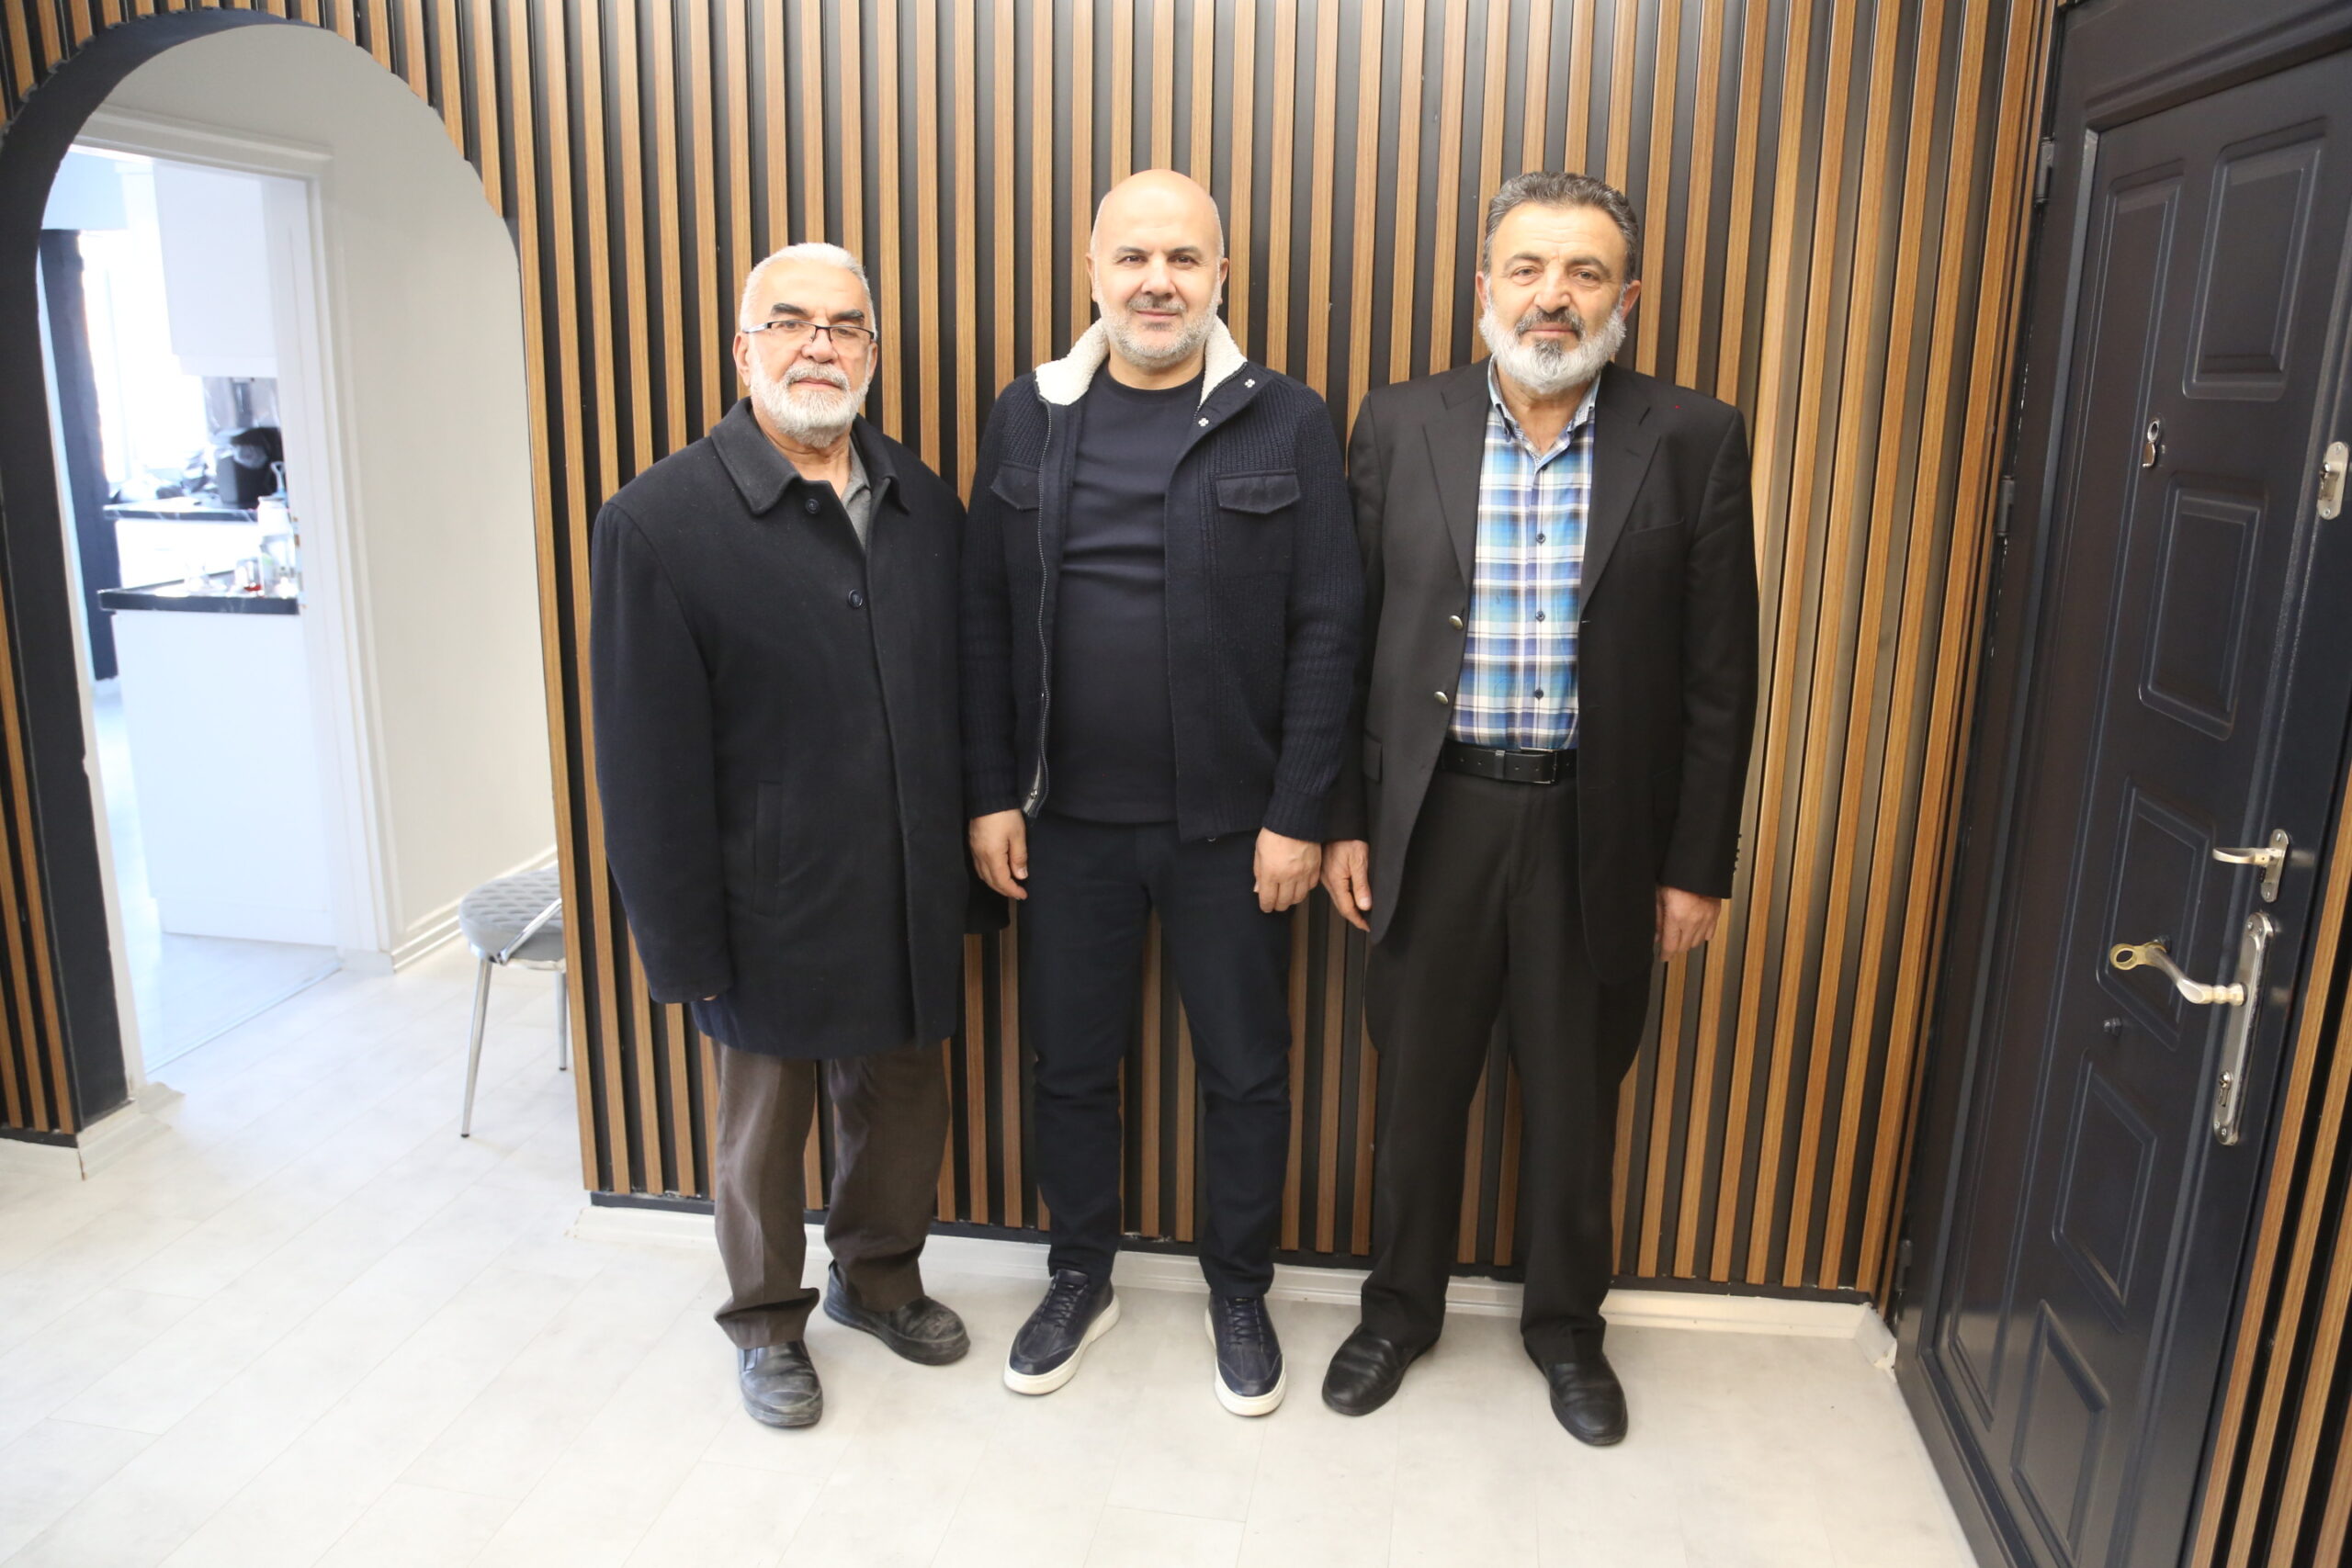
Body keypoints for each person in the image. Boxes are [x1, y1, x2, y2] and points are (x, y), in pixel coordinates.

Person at [1318, 172, 1759, 1443]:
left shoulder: (1693, 436)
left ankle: (1569, 1332)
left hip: (1595, 827)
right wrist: (1343, 817)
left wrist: (1697, 865)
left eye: (1583, 273)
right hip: (1433, 816)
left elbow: (1722, 674)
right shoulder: (1400, 422)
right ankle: (1398, 1312)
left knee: (1574, 1103)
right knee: (1416, 1094)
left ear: (1627, 297)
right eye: (1526, 269)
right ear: (1484, 288)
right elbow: (1344, 638)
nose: (1551, 296)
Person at [962, 170, 1361, 1415]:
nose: (1157, 281)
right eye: (1133, 257)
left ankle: (1238, 1288)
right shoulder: (1027, 415)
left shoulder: (1286, 419)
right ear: (1092, 270)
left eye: (1184, 259)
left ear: (1221, 276)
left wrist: (1299, 812)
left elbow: (1331, 625)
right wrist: (989, 793)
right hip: (1064, 823)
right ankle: (1079, 1274)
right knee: (1069, 1067)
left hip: (1232, 833)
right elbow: (980, 620)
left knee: (1245, 1069)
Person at [590, 243, 990, 1429]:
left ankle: (879, 1277)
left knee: (904, 1102)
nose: (820, 345)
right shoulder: (658, 520)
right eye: (791, 322)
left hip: (907, 876)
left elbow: (963, 689)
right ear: (743, 349)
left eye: (846, 326)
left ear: (873, 350)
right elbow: (642, 762)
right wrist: (680, 943)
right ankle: (766, 1322)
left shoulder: (922, 501)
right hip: (759, 895)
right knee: (764, 1128)